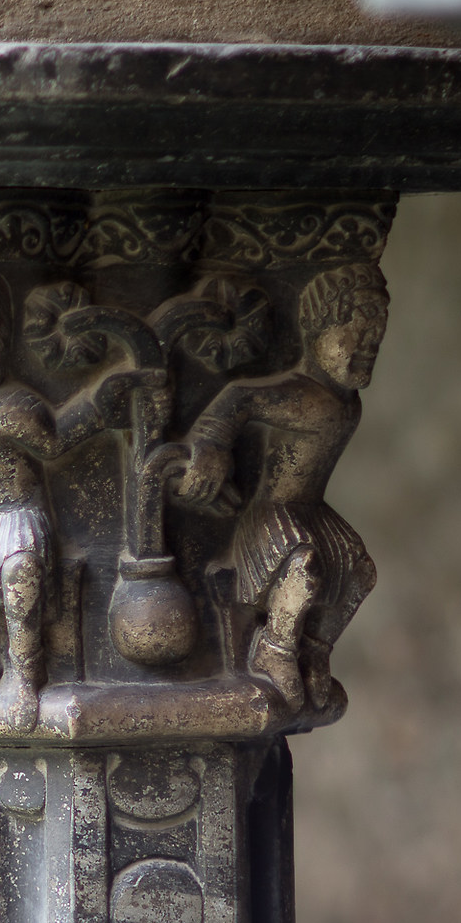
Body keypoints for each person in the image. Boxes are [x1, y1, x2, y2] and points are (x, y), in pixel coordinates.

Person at [0, 263, 163, 732]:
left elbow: (56, 442)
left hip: (17, 516)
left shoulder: (14, 407)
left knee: (21, 572)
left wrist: (101, 401)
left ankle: (28, 670)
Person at [169, 261, 386, 710]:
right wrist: (210, 443)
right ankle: (276, 648)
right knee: (302, 568)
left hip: (311, 511)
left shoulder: (348, 406)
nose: (369, 344)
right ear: (314, 328)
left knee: (360, 572)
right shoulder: (299, 393)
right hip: (273, 516)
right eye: (355, 331)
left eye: (377, 333)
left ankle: (314, 650)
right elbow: (239, 397)